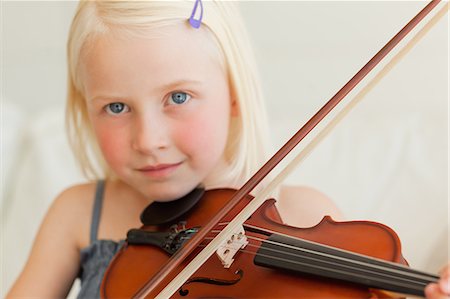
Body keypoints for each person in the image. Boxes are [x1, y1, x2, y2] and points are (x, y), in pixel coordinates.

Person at [6, 1, 449, 298]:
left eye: (178, 97)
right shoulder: (79, 213)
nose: (148, 139)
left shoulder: (303, 215)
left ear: (234, 92)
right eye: (116, 107)